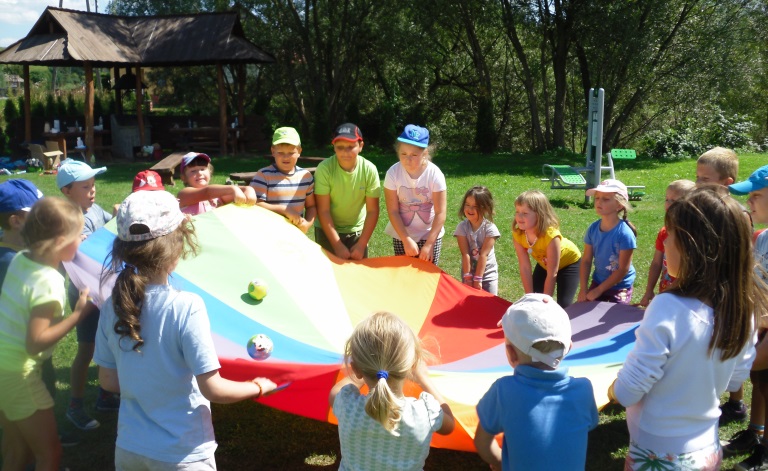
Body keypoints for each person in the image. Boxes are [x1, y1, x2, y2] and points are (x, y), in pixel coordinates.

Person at [94, 190, 279, 469]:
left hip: (130, 449)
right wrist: (257, 387)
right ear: (177, 246)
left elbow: (108, 381)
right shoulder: (186, 306)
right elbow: (214, 389)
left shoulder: (112, 305)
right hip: (181, 452)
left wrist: (146, 383)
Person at [608, 185, 764, 471]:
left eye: (671, 236)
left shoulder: (668, 308)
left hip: (657, 454)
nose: (665, 245)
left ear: (694, 246)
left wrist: (612, 389)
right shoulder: (744, 309)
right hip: (707, 450)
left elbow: (630, 392)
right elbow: (735, 379)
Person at [0, 197, 90, 471]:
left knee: (17, 450)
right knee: (49, 454)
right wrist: (78, 315)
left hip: (2, 367)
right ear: (61, 242)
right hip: (20, 373)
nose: (82, 240)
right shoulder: (49, 283)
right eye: (78, 236)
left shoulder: (20, 259)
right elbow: (35, 342)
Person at [474, 293, 598, 470]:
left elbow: (483, 443)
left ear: (510, 353)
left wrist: (500, 462)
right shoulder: (584, 390)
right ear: (568, 347)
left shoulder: (503, 391)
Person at [329, 311, 455, 470]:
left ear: (356, 369)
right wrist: (424, 379)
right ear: (412, 366)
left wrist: (363, 370)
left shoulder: (347, 406)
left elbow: (335, 392)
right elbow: (449, 424)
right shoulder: (425, 413)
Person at [57, 158, 119, 431]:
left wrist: (119, 214)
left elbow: (112, 224)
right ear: (67, 192)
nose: (92, 191)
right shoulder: (65, 220)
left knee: (111, 344)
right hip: (85, 295)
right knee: (86, 349)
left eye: (93, 185)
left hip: (106, 291)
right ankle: (75, 405)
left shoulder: (94, 210)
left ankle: (106, 395)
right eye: (85, 187)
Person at [723, 165, 768, 467]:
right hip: (761, 324)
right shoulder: (761, 236)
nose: (749, 202)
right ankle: (756, 433)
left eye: (756, 196)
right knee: (759, 379)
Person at [314, 123, 381, 260]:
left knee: (358, 276)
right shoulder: (324, 169)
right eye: (340, 147)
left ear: (361, 146)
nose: (345, 152)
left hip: (356, 231)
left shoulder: (369, 170)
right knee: (329, 276)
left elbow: (373, 210)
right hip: (327, 231)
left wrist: (362, 244)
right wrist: (337, 245)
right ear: (334, 147)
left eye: (351, 147)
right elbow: (323, 210)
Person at [383, 124, 447, 264]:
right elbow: (393, 210)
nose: (407, 159)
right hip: (402, 234)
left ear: (425, 154)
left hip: (430, 234)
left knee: (427, 277)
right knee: (405, 276)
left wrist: (429, 244)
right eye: (403, 154)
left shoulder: (435, 174)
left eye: (414, 155)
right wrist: (406, 239)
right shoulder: (392, 173)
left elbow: (440, 212)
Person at [512, 190, 582, 308]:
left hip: (569, 264)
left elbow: (552, 273)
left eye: (525, 213)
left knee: (563, 304)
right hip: (545, 264)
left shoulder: (551, 236)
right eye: (517, 211)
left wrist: (546, 302)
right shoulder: (518, 235)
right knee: (534, 297)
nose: (519, 216)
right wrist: (529, 296)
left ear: (539, 215)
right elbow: (525, 267)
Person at [636, 179, 696, 308]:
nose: (668, 204)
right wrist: (649, 291)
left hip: (688, 296)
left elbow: (690, 271)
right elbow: (657, 263)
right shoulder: (664, 232)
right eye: (666, 199)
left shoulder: (694, 235)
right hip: (666, 293)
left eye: (674, 201)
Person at [577, 179, 637, 304]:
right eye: (597, 198)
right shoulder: (593, 229)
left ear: (619, 205)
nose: (599, 202)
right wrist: (583, 289)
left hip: (621, 285)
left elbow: (622, 270)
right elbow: (586, 261)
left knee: (615, 318)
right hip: (599, 280)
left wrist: (599, 290)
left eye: (606, 199)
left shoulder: (625, 234)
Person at [250, 127, 316, 233]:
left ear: (299, 151)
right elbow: (255, 204)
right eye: (280, 152)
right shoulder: (263, 175)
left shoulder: (306, 177)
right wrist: (284, 210)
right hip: (269, 234)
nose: (286, 157)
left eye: (291, 153)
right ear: (273, 151)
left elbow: (311, 206)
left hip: (296, 234)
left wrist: (307, 224)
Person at [453, 186, 501, 294]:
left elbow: (484, 255)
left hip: (488, 274)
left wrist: (478, 279)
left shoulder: (490, 229)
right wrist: (468, 276)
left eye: (475, 206)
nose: (470, 209)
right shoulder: (462, 227)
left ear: (485, 208)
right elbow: (465, 254)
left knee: (490, 304)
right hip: (468, 272)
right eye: (467, 205)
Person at [177, 152, 257, 215]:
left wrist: (247, 189)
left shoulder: (217, 197)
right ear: (183, 178)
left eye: (202, 169)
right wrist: (233, 189)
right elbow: (207, 192)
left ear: (210, 172)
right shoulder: (184, 194)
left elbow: (228, 194)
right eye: (193, 171)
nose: (199, 173)